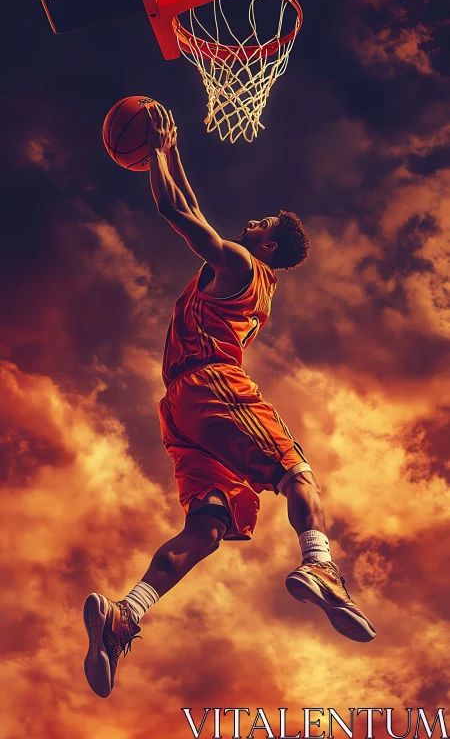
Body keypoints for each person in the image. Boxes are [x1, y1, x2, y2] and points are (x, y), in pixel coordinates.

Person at [83, 105, 376, 699]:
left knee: (212, 524)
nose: (250, 219)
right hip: (206, 394)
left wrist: (158, 153)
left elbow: (174, 211)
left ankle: (125, 616)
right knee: (293, 474)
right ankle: (317, 558)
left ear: (267, 242)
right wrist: (168, 150)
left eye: (261, 220)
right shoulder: (236, 270)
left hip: (191, 399)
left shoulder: (241, 264)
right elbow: (187, 205)